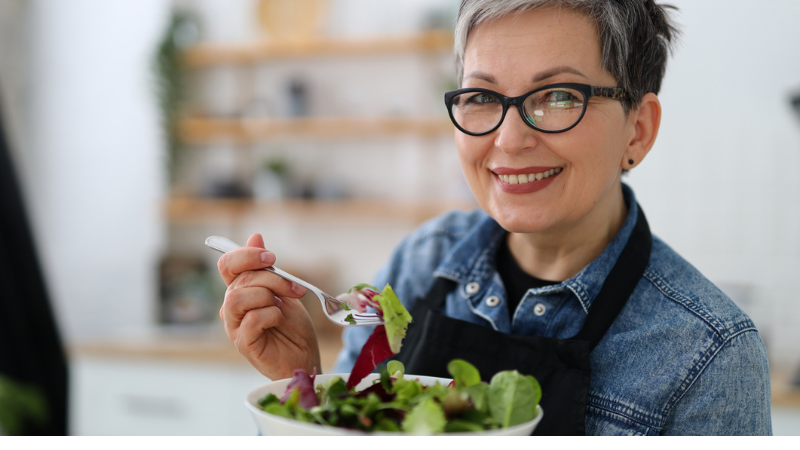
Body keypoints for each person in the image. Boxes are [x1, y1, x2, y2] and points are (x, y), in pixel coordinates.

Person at [216, 0, 772, 435]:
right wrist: (308, 386)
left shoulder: (709, 354)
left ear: (638, 129)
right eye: (482, 97)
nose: (509, 139)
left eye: (558, 95)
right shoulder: (422, 261)